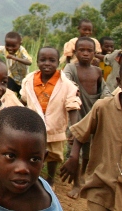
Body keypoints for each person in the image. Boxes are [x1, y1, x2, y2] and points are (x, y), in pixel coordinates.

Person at [61, 55, 122, 211]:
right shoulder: (103, 107)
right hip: (100, 188)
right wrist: (74, 158)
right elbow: (81, 133)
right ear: (119, 82)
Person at [20, 46, 81, 188]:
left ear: (58, 63)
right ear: (37, 61)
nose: (47, 63)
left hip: (55, 128)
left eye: (51, 60)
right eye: (43, 60)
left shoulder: (66, 84)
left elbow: (73, 104)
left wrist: (73, 127)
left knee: (54, 155)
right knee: (32, 153)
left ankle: (50, 179)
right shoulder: (29, 80)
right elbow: (23, 99)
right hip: (32, 127)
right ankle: (33, 178)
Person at [62, 37, 111, 199]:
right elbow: (66, 82)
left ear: (95, 53)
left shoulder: (97, 71)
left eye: (89, 51)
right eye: (81, 50)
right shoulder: (71, 68)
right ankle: (76, 183)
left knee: (88, 151)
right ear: (75, 52)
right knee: (74, 151)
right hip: (76, 114)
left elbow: (104, 91)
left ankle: (83, 175)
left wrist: (106, 100)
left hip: (92, 115)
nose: (85, 53)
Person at [0, 31, 32, 96]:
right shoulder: (4, 49)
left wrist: (15, 58)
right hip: (12, 77)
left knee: (23, 97)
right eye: (8, 45)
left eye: (13, 46)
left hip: (23, 80)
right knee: (6, 93)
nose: (10, 48)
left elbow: (29, 62)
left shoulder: (22, 51)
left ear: (20, 43)